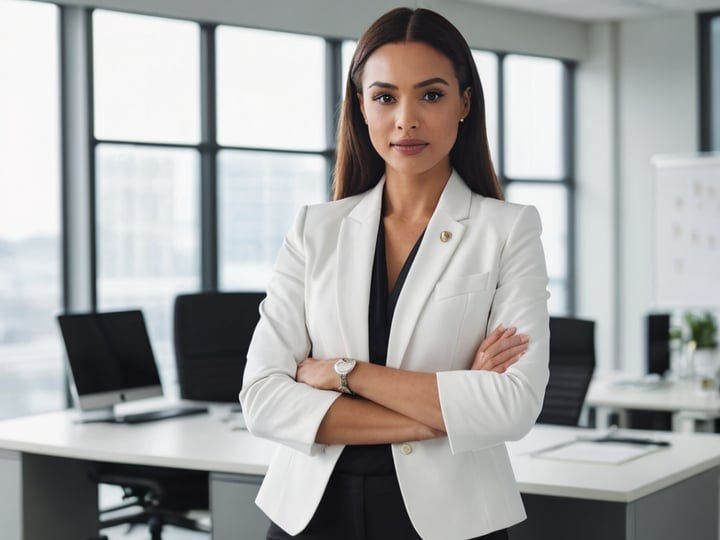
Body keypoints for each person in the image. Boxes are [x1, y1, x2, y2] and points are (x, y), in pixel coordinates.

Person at [240, 7, 550, 540]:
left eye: (431, 95)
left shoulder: (507, 230)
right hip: (312, 514)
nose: (406, 119)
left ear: (464, 104)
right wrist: (446, 412)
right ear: (361, 107)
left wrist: (344, 373)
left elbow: (512, 406)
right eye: (385, 97)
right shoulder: (316, 229)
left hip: (451, 519)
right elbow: (263, 400)